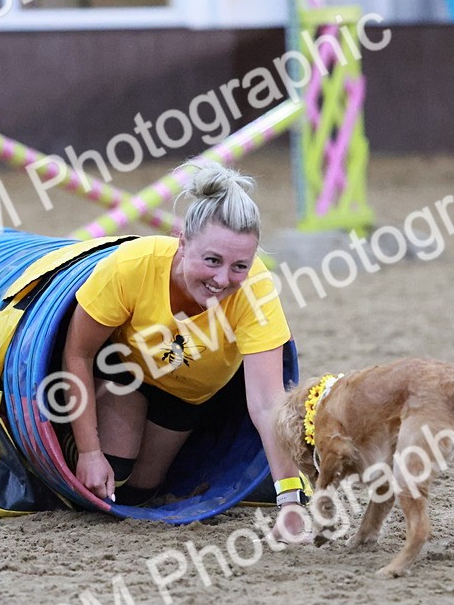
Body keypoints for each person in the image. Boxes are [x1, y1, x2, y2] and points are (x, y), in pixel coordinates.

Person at [61, 162, 309, 543]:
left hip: (189, 396)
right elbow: (77, 353)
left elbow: (267, 403)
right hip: (125, 375)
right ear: (182, 241)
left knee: (139, 494)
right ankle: (61, 446)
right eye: (212, 260)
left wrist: (290, 502)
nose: (223, 279)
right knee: (113, 471)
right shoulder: (132, 267)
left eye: (239, 266)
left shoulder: (256, 291)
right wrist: (90, 453)